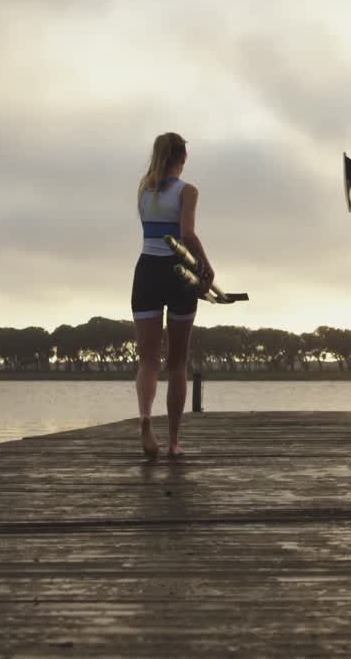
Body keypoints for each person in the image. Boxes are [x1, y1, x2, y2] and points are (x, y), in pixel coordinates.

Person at [131, 132, 213, 460]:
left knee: (147, 359)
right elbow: (186, 234)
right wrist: (206, 267)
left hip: (146, 270)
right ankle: (174, 442)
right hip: (177, 274)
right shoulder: (187, 191)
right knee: (177, 362)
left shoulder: (143, 188)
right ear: (184, 158)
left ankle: (145, 419)